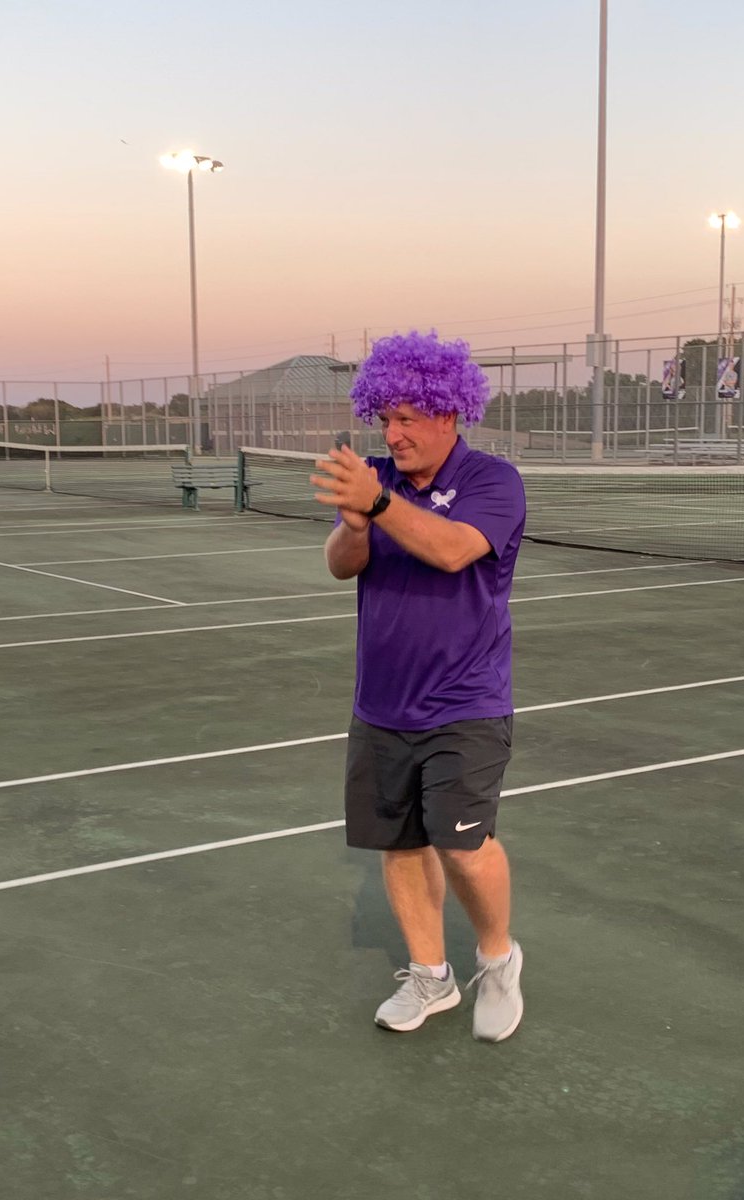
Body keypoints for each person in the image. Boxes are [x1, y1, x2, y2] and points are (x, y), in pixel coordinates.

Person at [311, 330, 527, 1042]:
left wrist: (377, 506)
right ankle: (429, 976)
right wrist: (353, 524)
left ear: (448, 412)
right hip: (381, 703)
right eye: (386, 418)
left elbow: (451, 548)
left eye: (407, 418)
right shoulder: (377, 480)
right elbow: (342, 565)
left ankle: (497, 961)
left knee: (463, 845)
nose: (393, 433)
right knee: (400, 844)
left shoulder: (495, 482)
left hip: (465, 702)